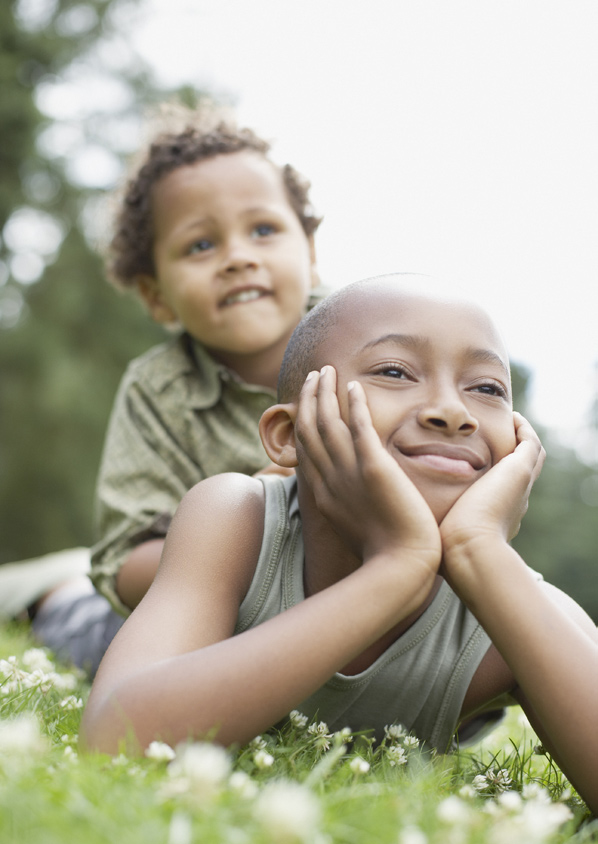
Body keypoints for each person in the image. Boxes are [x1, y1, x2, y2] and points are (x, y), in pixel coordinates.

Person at [81, 276, 598, 813]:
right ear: (289, 434)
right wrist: (399, 568)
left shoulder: (511, 613)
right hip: (110, 632)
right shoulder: (237, 518)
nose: (452, 410)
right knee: (70, 611)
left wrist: (478, 551)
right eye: (395, 372)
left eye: (486, 388)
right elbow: (114, 738)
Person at [0, 110, 325, 676]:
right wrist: (237, 529)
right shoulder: (158, 390)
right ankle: (52, 594)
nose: (239, 257)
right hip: (197, 617)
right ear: (156, 297)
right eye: (201, 245)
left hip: (357, 613)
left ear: (311, 250)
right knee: (104, 641)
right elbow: (125, 564)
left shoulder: (375, 348)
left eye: (265, 230)